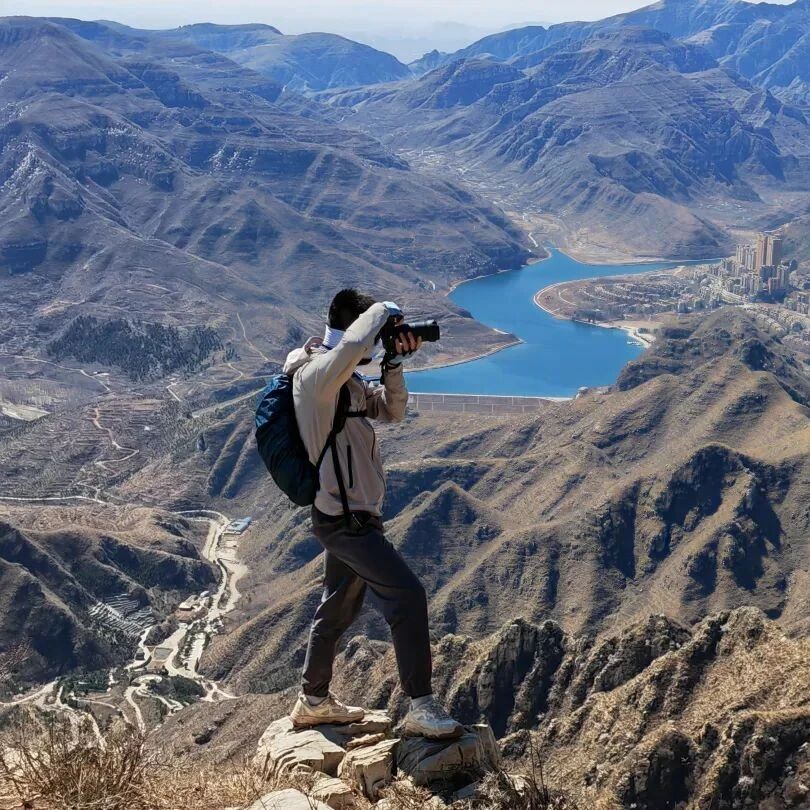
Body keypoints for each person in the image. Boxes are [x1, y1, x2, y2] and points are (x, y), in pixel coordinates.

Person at [283, 289, 462, 739]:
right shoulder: (314, 377)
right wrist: (385, 311)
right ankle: (420, 704)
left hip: (353, 515)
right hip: (345, 521)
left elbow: (393, 411)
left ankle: (313, 700)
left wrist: (394, 364)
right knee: (408, 596)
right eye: (375, 333)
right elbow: (349, 347)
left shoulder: (346, 382)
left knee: (337, 607)